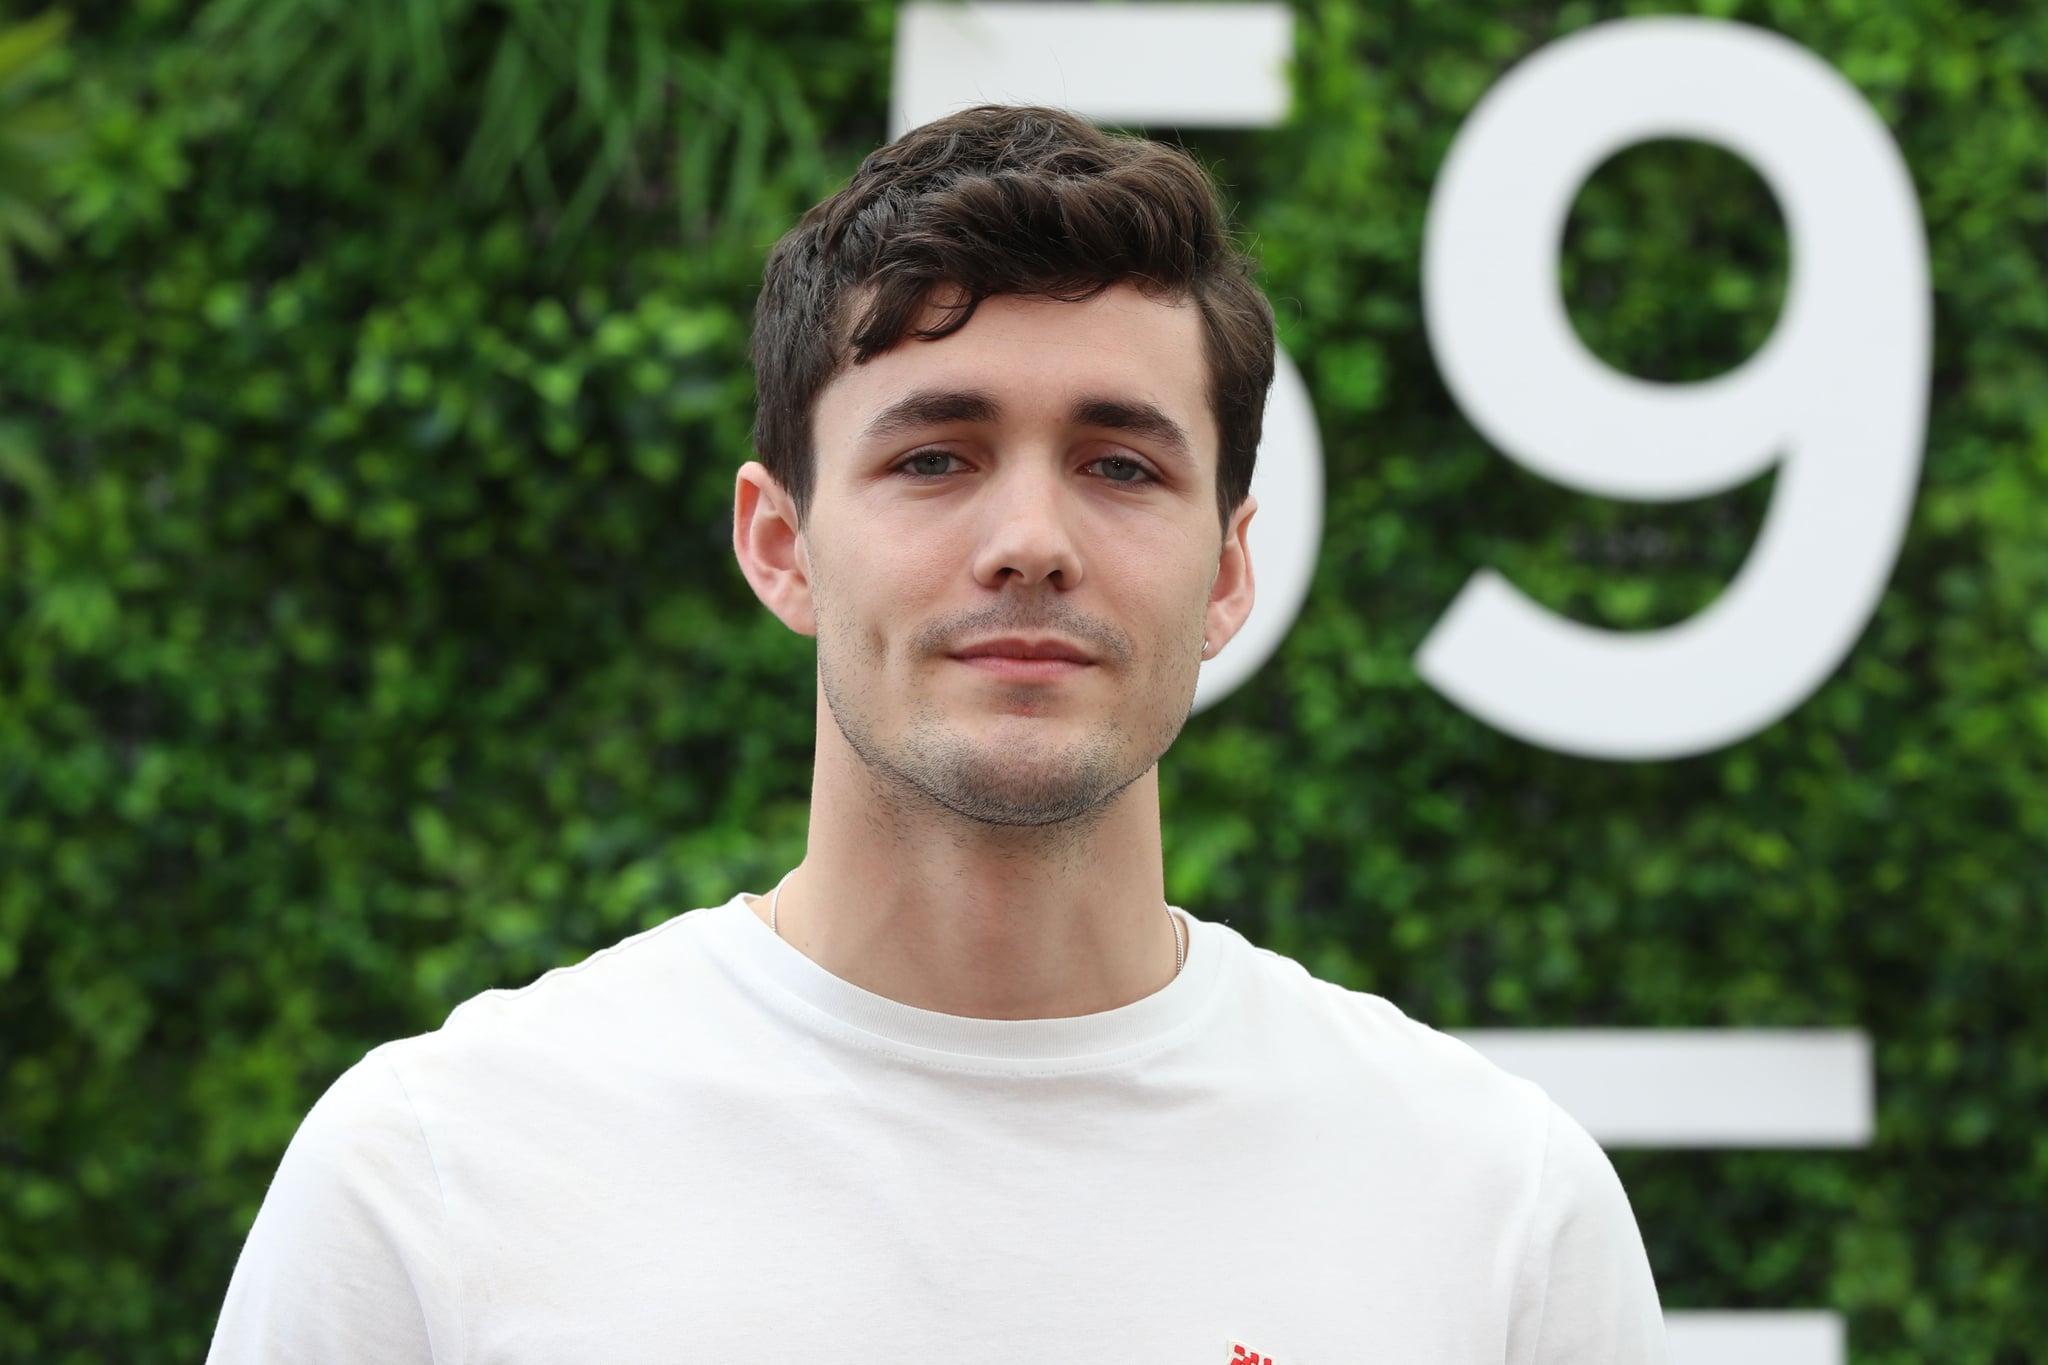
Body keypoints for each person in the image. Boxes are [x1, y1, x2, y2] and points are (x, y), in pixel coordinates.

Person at [207, 104, 1665, 1364]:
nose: (1029, 539)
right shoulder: (432, 1178)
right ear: (779, 543)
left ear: (1227, 572)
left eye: (1117, 462)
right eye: (933, 456)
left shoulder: (1493, 1208)